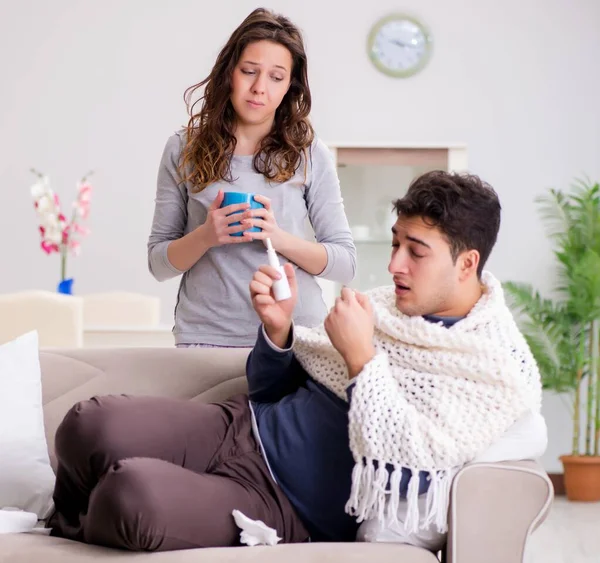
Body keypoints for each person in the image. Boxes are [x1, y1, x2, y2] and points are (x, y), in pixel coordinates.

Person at [47, 171, 546, 552]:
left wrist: (362, 359)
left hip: (281, 506)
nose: (395, 264)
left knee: (130, 497)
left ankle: (71, 520)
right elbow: (270, 389)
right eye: (395, 244)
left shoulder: (495, 369)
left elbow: (408, 465)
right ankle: (66, 516)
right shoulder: (386, 307)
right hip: (241, 425)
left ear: (467, 263)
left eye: (416, 252)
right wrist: (280, 330)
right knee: (88, 425)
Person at [147, 7, 355, 347]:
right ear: (229, 72)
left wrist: (277, 236)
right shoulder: (183, 148)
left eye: (276, 77)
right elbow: (159, 264)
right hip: (206, 336)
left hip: (296, 334)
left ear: (290, 86)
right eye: (249, 71)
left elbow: (345, 264)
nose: (260, 88)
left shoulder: (309, 152)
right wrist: (206, 236)